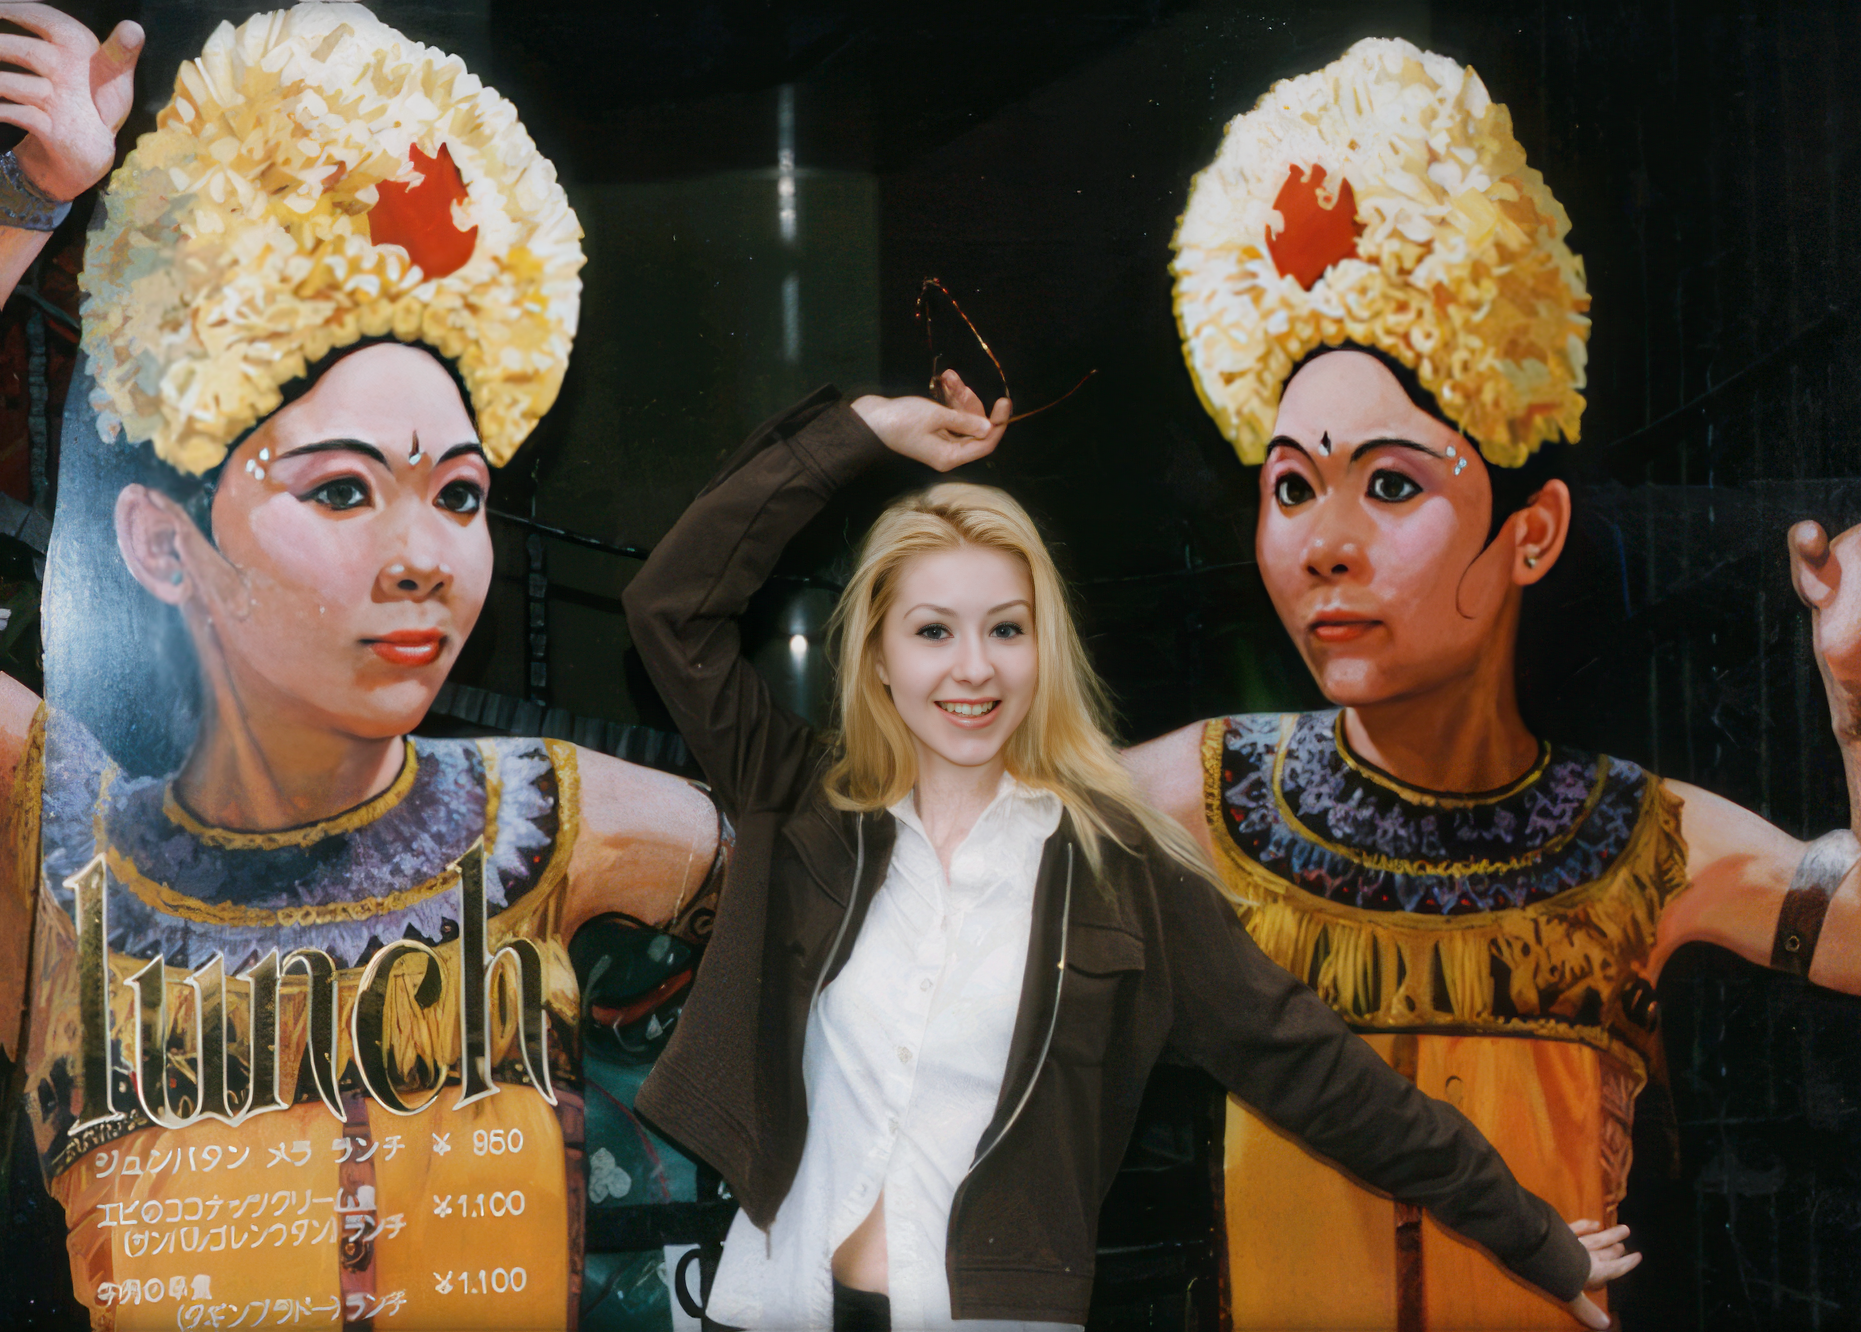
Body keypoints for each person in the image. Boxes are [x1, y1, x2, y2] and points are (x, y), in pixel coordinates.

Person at [621, 374, 1640, 1331]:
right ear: (879, 660)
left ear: (1042, 649)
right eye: (932, 632)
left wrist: (1534, 1237)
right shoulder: (803, 805)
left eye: (1006, 630)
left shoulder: (1118, 875)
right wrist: (868, 431)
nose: (972, 669)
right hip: (777, 1299)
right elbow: (669, 608)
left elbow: (1322, 1074)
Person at [1125, 37, 1861, 1330]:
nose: (1326, 542)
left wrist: (1860, 698)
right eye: (1293, 486)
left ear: (1531, 536)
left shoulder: (1640, 841)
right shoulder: (1203, 798)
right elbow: (900, 861)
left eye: (1394, 484)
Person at [0, 7, 722, 1327]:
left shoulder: (560, 822)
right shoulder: (57, 856)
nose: (426, 559)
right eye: (341, 493)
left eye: (458, 497)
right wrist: (25, 206)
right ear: (162, 544)